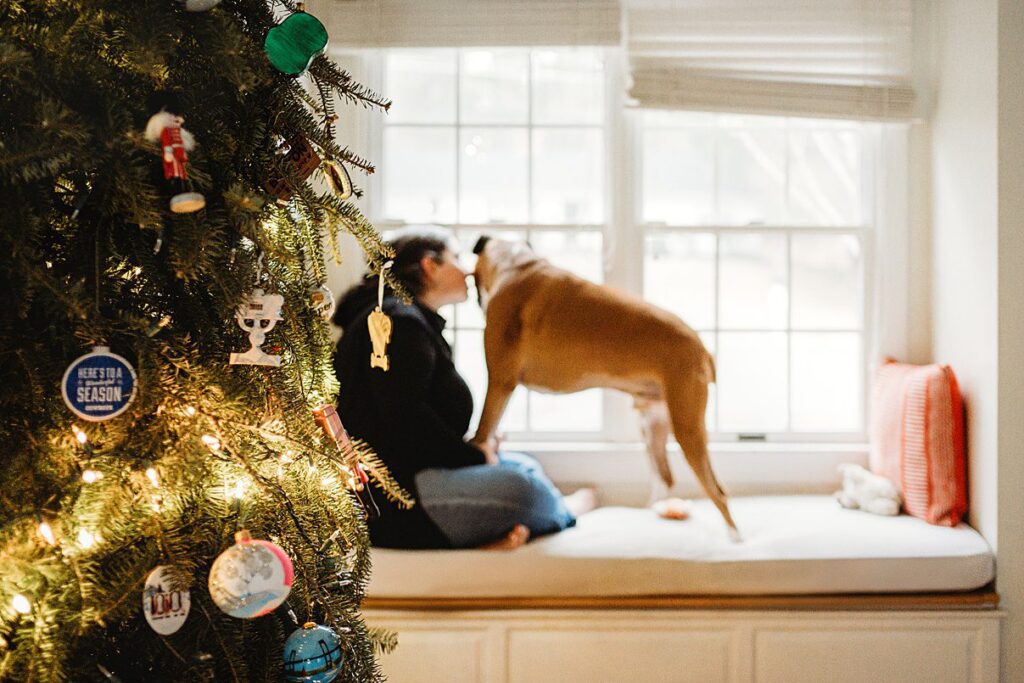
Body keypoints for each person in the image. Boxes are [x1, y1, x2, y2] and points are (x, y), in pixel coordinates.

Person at [332, 226, 597, 550]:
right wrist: (472, 455)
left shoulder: (406, 320)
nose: (470, 269)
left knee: (525, 465)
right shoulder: (397, 324)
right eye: (455, 258)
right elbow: (405, 424)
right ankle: (561, 512)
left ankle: (528, 518)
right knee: (522, 487)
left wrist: (476, 454)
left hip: (418, 473)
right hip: (398, 495)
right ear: (430, 267)